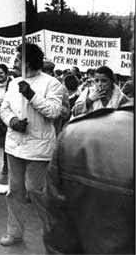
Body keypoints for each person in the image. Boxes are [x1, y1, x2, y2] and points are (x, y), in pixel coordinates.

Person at [43, 104, 134, 254]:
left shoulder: (75, 133)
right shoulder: (77, 133)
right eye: (97, 80)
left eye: (103, 80)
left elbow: (59, 240)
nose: (99, 84)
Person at [0, 43, 64, 247]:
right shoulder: (13, 83)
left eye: (18, 59)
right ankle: (14, 231)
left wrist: (31, 95)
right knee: (15, 190)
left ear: (27, 61)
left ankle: (54, 232)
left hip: (38, 148)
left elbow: (54, 112)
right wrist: (12, 122)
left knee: (35, 191)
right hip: (14, 145)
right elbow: (5, 109)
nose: (14, 63)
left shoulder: (52, 84)